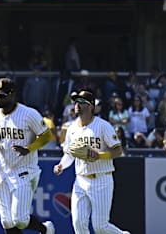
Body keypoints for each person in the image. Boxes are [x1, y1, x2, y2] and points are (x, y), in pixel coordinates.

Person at [52, 89, 130, 234]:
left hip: (101, 179)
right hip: (80, 180)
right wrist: (61, 165)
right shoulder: (72, 128)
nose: (77, 105)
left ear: (91, 106)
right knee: (78, 224)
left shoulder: (103, 126)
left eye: (81, 102)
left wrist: (99, 156)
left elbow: (118, 150)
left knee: (100, 227)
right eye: (75, 101)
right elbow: (69, 154)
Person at [0, 77, 55, 234]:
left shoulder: (28, 113)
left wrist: (29, 148)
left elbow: (46, 135)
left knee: (20, 220)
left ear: (12, 95)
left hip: (26, 170)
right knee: (7, 222)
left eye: (1, 95)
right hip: (4, 172)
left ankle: (46, 229)